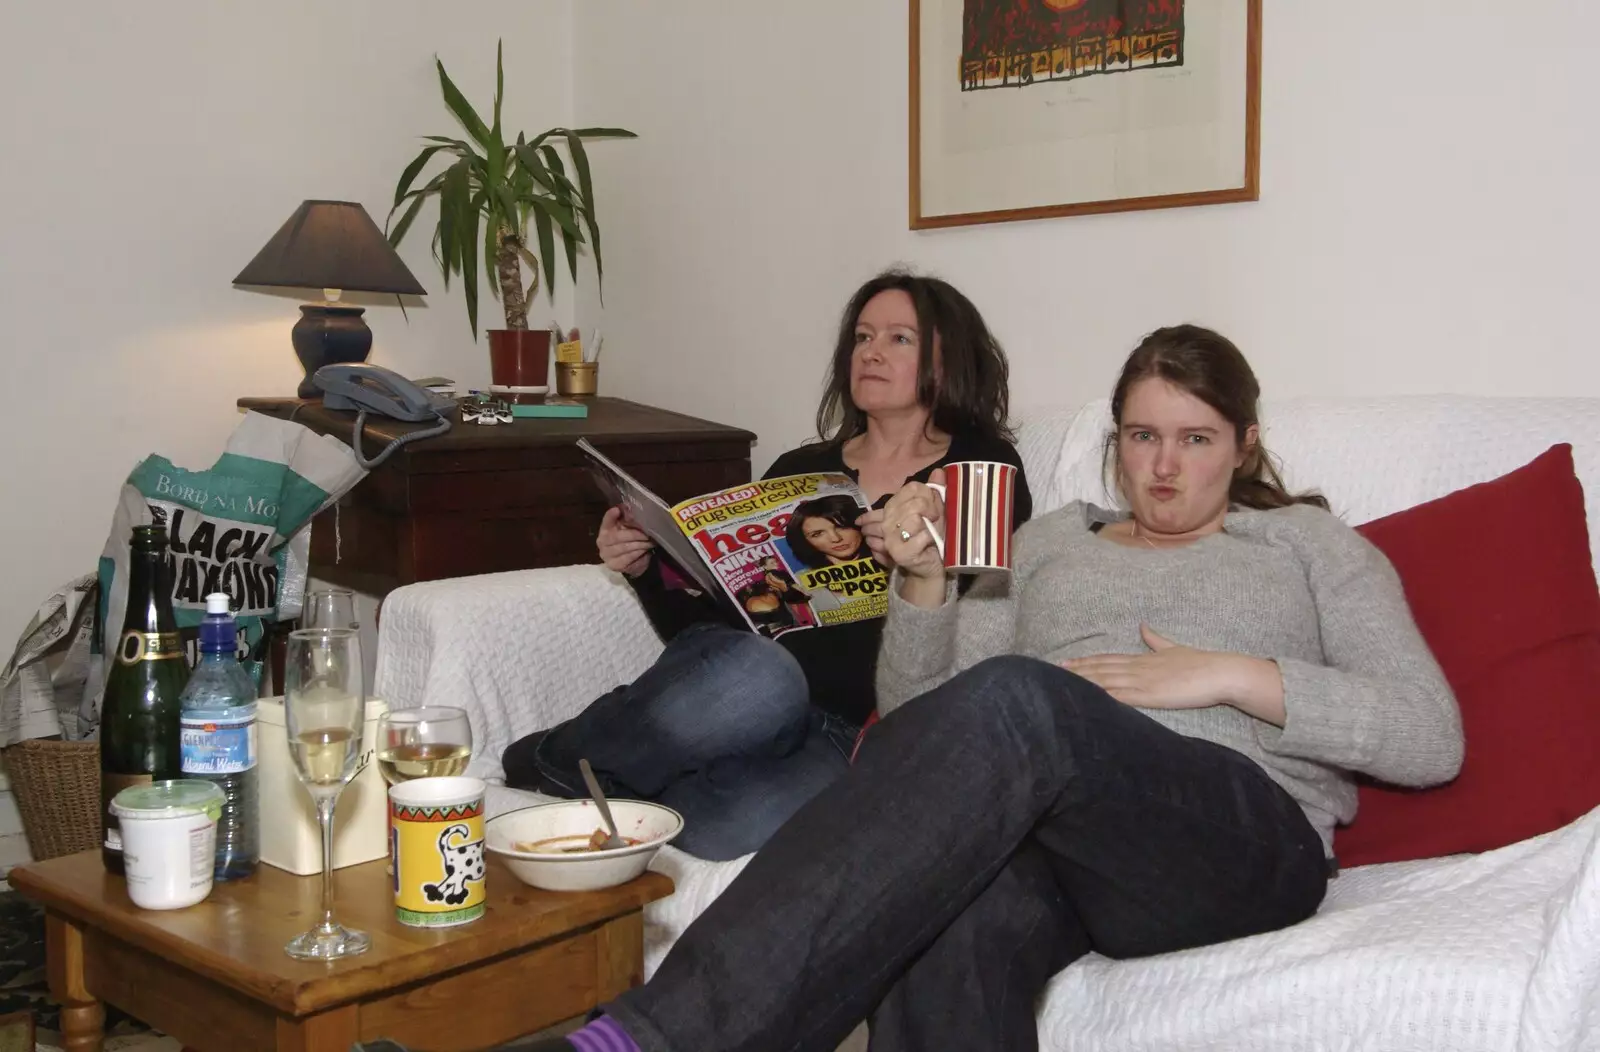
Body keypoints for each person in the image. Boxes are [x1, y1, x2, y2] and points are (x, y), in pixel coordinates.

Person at [515, 324, 1464, 1052]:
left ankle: (643, 1039)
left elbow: (1430, 733)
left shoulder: (1309, 547)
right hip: (1061, 838)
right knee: (955, 922)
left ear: (1245, 446)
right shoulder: (1049, 541)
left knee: (1025, 701)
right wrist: (924, 584)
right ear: (1116, 441)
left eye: (1196, 439)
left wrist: (1228, 675)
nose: (1165, 467)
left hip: (1238, 835)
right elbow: (930, 713)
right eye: (1142, 436)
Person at [500, 269, 1034, 860]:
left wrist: (917, 566)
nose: (872, 352)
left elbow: (988, 615)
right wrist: (645, 570)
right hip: (752, 684)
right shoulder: (801, 467)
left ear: (945, 360)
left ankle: (622, 780)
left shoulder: (983, 467)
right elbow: (718, 627)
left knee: (715, 830)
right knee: (759, 677)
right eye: (862, 337)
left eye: (899, 339)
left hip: (852, 732)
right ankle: (559, 758)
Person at [785, 494, 874, 568]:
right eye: (817, 534)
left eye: (842, 527)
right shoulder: (801, 582)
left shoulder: (886, 562)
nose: (835, 539)